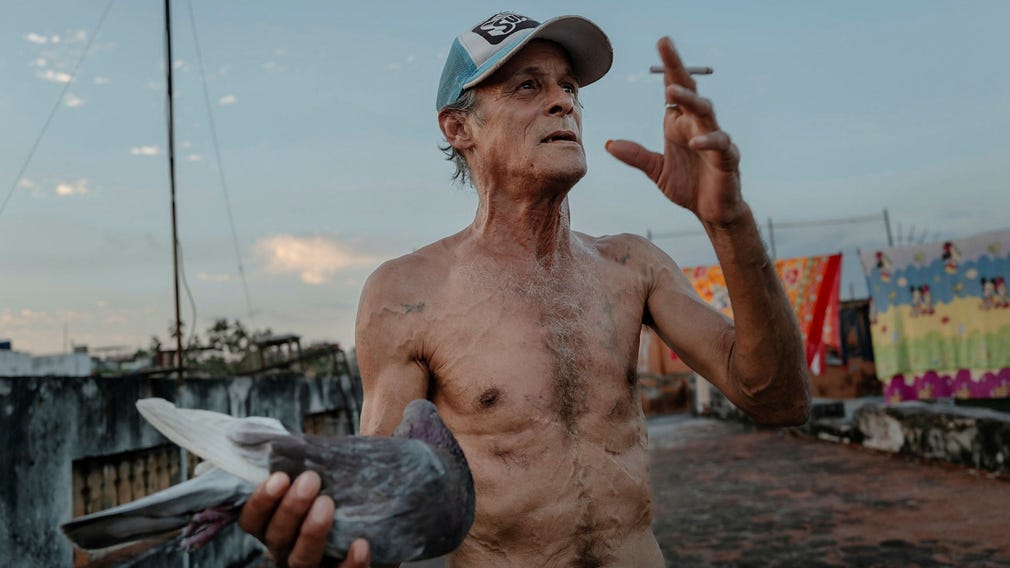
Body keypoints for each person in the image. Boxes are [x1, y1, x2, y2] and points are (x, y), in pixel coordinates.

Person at [239, 12, 810, 568]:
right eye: (528, 86)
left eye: (569, 87)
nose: (563, 102)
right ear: (459, 128)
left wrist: (729, 221)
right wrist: (318, 542)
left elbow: (778, 399)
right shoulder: (407, 293)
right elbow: (381, 502)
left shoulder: (633, 265)